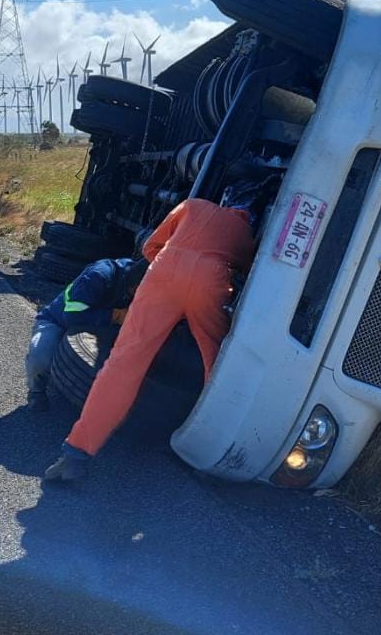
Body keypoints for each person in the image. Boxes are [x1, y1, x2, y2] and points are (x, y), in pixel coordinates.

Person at [44, 180, 274, 482]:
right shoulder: (246, 235)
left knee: (123, 363)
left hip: (163, 272)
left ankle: (75, 454)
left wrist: (168, 278)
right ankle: (207, 455)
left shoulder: (193, 206)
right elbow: (244, 273)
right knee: (215, 364)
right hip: (210, 281)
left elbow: (150, 246)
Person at [26, 257, 143, 411]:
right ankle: (36, 391)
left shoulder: (143, 281)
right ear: (135, 288)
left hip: (100, 328)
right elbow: (72, 316)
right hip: (58, 320)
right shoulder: (100, 274)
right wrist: (115, 315)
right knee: (40, 360)